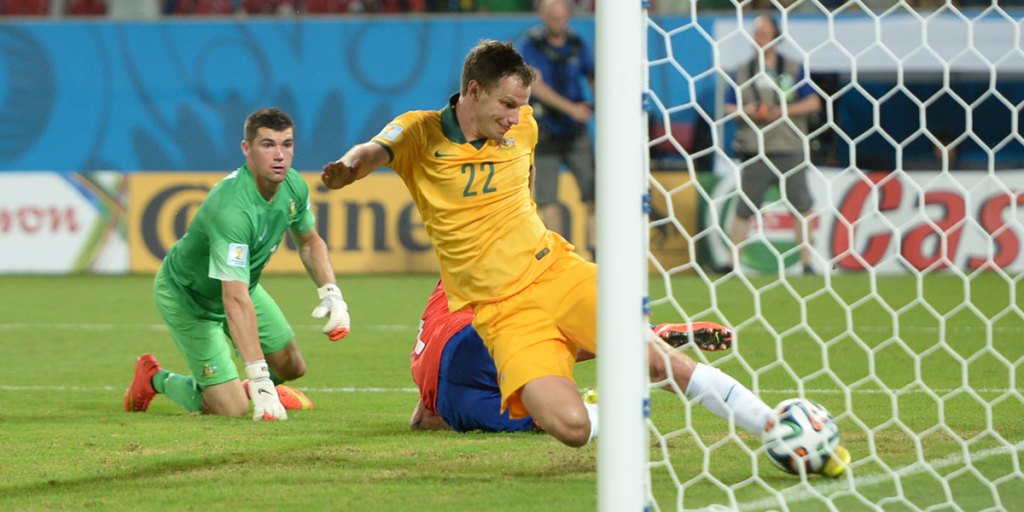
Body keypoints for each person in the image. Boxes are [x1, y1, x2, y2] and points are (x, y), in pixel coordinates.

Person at [320, 40, 847, 475]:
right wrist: (346, 169)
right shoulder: (419, 131)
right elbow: (372, 151)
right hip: (502, 313)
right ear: (473, 91)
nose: (515, 116)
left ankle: (772, 424)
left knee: (659, 362)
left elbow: (521, 184)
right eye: (506, 104)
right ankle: (617, 386)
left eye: (522, 105)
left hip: (556, 272)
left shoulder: (523, 128)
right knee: (570, 428)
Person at [124, 107, 351, 421]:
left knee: (292, 366)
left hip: (242, 287)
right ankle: (153, 378)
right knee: (231, 408)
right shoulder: (232, 208)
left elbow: (310, 241)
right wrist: (259, 378)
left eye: (286, 144)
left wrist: (331, 293)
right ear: (247, 149)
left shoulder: (293, 186)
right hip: (190, 297)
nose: (280, 155)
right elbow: (234, 299)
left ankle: (246, 386)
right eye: (268, 145)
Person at [409, 280, 734, 433]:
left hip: (457, 393)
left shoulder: (454, 273)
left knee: (544, 420)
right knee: (534, 347)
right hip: (466, 347)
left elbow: (421, 420)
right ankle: (635, 339)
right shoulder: (457, 273)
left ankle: (595, 407)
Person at [722, 14, 822, 275]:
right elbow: (728, 107)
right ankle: (732, 263)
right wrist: (749, 111)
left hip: (790, 147)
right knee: (744, 207)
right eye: (756, 34)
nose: (760, 39)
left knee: (801, 205)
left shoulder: (793, 68)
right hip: (755, 149)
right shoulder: (742, 70)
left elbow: (813, 102)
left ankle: (807, 262)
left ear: (776, 36)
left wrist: (782, 111)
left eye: (764, 33)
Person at [516, 0, 596, 259]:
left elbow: (594, 75)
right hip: (546, 129)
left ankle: (598, 255)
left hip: (576, 131)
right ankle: (559, 259)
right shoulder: (532, 45)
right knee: (548, 197)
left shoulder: (577, 44)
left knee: (594, 192)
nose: (558, 23)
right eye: (553, 17)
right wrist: (572, 109)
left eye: (562, 18)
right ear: (544, 16)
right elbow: (535, 85)